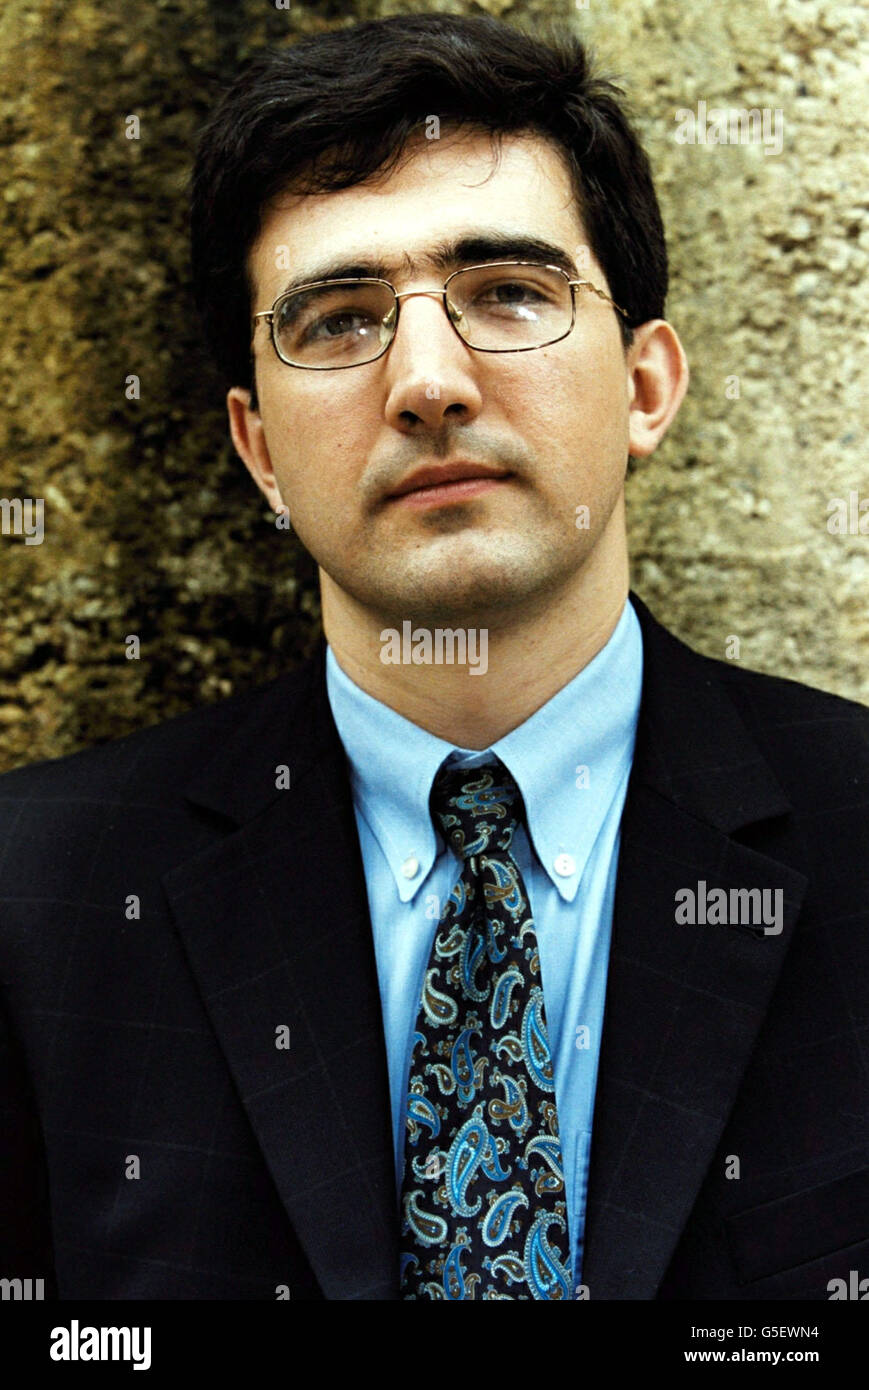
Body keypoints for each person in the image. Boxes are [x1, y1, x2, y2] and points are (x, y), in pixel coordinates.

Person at [0, 12, 866, 1302]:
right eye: (341, 319)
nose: (428, 380)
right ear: (257, 450)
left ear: (645, 386)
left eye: (509, 293)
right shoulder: (37, 900)